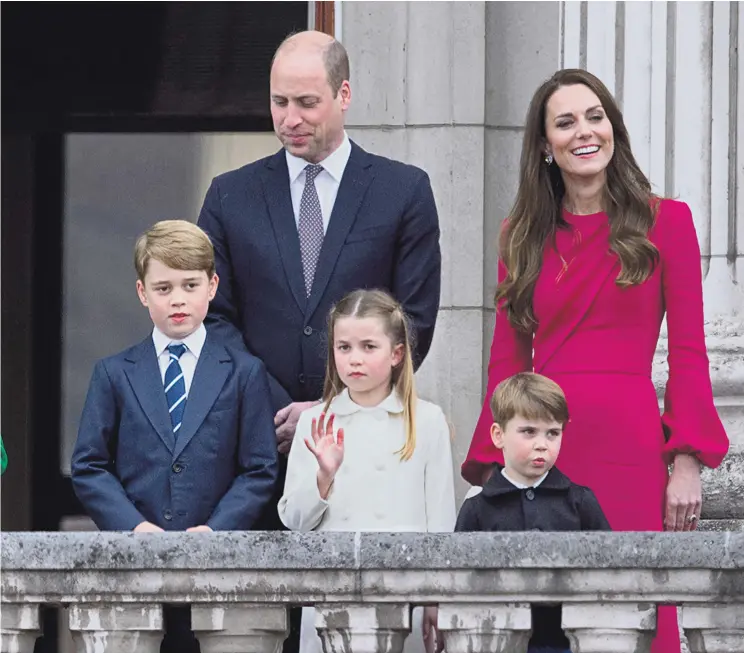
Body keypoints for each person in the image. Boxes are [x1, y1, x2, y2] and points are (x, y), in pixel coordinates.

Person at [462, 68, 730, 653]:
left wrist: (685, 458)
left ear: (612, 128)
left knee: (635, 605)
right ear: (545, 146)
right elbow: (507, 357)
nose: (584, 132)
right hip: (545, 444)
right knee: (546, 620)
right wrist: (492, 458)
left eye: (595, 116)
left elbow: (688, 350)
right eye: (565, 122)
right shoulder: (520, 235)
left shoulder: (668, 221)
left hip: (630, 444)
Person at [196, 29, 441, 519]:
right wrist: (277, 408)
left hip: (365, 451)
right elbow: (212, 318)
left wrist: (333, 408)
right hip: (251, 448)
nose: (290, 119)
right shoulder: (229, 195)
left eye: (307, 102)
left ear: (344, 94)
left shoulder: (404, 191)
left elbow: (412, 321)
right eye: (279, 102)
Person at [70, 220, 278, 653]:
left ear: (212, 286)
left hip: (219, 571)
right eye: (163, 288)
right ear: (143, 293)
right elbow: (89, 466)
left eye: (190, 284)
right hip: (134, 569)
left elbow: (259, 469)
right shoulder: (113, 373)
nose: (178, 299)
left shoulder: (244, 372)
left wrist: (216, 529)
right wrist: (134, 527)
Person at [278, 289, 456, 653]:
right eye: (344, 347)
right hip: (332, 597)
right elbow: (294, 520)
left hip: (407, 597)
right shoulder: (315, 421)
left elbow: (441, 522)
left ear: (396, 353)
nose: (354, 359)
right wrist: (323, 479)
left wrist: (438, 598)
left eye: (368, 347)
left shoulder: (427, 420)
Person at [456, 372, 610, 653]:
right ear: (498, 435)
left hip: (569, 643)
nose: (543, 443)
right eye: (529, 431)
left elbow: (609, 572)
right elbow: (459, 583)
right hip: (497, 642)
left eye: (553, 432)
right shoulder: (478, 507)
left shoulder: (580, 502)